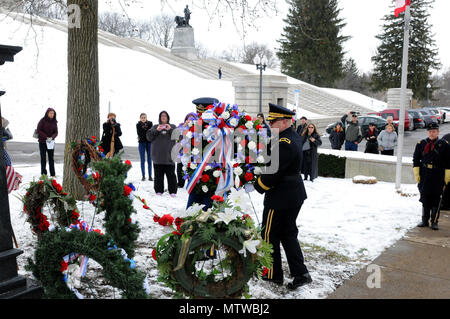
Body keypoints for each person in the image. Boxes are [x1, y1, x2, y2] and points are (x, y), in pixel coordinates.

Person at [254, 103, 311, 290]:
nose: (271, 125)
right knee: (288, 233)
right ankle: (301, 273)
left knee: (269, 234)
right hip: (292, 194)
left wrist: (258, 184)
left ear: (285, 122)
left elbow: (274, 172)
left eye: (274, 121)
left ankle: (273, 274)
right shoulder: (290, 137)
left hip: (281, 196)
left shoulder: (284, 143)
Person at [413, 123, 450, 230]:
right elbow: (416, 159)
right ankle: (424, 220)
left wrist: (447, 175)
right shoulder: (421, 143)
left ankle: (434, 221)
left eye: (434, 131)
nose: (431, 133)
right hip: (424, 174)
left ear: (438, 132)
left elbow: (448, 161)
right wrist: (417, 172)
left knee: (436, 199)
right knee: (425, 198)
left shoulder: (444, 144)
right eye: (430, 131)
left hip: (438, 174)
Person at [147, 110, 177, 197]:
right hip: (157, 157)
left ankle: (173, 191)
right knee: (158, 175)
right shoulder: (155, 127)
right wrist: (156, 130)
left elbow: (179, 137)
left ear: (168, 117)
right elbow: (149, 137)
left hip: (169, 156)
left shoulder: (172, 126)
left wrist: (170, 130)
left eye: (165, 115)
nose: (163, 117)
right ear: (159, 118)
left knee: (171, 175)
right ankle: (159, 190)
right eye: (162, 115)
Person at [36, 108, 58, 177]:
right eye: (50, 113)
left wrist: (52, 137)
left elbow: (56, 132)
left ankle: (53, 174)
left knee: (51, 158)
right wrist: (46, 137)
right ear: (47, 113)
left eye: (53, 113)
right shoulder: (42, 121)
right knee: (43, 158)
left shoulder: (54, 122)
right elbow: (39, 130)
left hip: (51, 142)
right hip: (42, 142)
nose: (52, 114)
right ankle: (43, 174)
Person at [136, 113, 153, 181]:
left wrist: (145, 132)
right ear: (140, 118)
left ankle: (150, 176)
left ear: (146, 118)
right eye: (142, 117)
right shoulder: (138, 124)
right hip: (141, 143)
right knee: (142, 160)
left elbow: (150, 132)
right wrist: (146, 131)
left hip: (149, 143)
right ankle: (143, 176)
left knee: (149, 160)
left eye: (144, 117)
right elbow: (139, 133)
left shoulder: (150, 123)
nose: (143, 118)